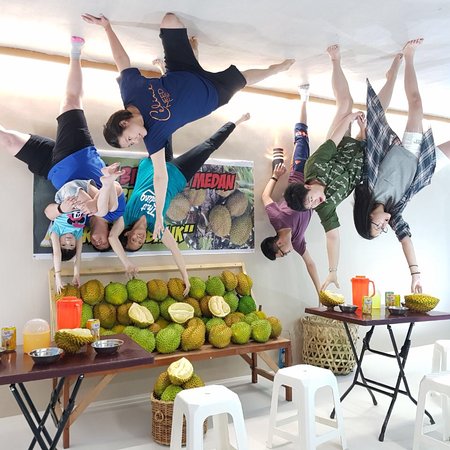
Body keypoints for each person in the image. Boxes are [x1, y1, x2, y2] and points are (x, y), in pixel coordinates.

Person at [81, 12, 294, 242]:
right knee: (242, 79)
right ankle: (276, 69)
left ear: (124, 122)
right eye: (131, 144)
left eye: (129, 138)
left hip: (181, 70)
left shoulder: (130, 91)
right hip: (211, 94)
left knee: (169, 20)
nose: (136, 141)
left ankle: (193, 53)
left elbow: (122, 60)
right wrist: (159, 215)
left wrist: (107, 27)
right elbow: (160, 177)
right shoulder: (153, 139)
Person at [1, 37, 125, 292]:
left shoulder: (78, 224)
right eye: (104, 243)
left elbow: (49, 213)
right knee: (70, 102)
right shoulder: (113, 213)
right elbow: (116, 190)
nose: (99, 241)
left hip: (51, 168)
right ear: (111, 235)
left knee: (7, 139)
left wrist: (62, 207)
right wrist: (100, 195)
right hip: (78, 154)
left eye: (96, 245)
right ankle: (76, 52)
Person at [108, 113, 251, 294]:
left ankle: (158, 102)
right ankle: (236, 121)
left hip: (157, 163)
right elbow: (175, 249)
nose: (139, 239)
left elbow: (112, 237)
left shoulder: (129, 214)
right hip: (178, 173)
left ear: (128, 233)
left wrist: (127, 263)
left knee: (162, 124)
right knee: (209, 146)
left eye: (133, 240)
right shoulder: (157, 227)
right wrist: (185, 277)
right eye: (140, 243)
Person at [353, 39, 450, 293]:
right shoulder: (394, 212)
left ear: (368, 217)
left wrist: (362, 133)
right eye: (383, 230)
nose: (384, 226)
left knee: (414, 105)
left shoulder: (366, 185)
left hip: (400, 148)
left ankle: (408, 57)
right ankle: (395, 70)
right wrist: (415, 275)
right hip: (419, 165)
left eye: (378, 226)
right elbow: (405, 240)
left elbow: (364, 155)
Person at [283, 45, 367, 291]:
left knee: (346, 103)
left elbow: (334, 140)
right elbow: (332, 236)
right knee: (372, 114)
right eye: (311, 206)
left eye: (312, 200)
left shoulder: (314, 164)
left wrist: (348, 119)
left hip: (341, 143)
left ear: (308, 186)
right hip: (360, 153)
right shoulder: (325, 207)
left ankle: (335, 59)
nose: (317, 203)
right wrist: (332, 271)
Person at [260, 84, 321, 294]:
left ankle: (304, 97)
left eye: (283, 253)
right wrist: (321, 294)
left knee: (302, 137)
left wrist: (275, 176)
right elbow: (310, 264)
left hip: (300, 174)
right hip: (317, 188)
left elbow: (265, 196)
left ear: (278, 243)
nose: (287, 253)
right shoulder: (297, 241)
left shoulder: (277, 219)